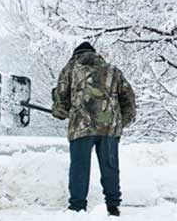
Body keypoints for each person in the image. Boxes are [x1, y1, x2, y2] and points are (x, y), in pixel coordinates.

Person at [52, 41, 136, 217]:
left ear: (76, 55)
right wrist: (121, 122)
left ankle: (77, 207)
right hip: (109, 128)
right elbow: (128, 98)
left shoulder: (70, 69)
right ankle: (113, 206)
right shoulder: (113, 71)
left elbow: (61, 101)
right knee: (110, 166)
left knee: (79, 167)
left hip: (81, 128)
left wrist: (60, 110)